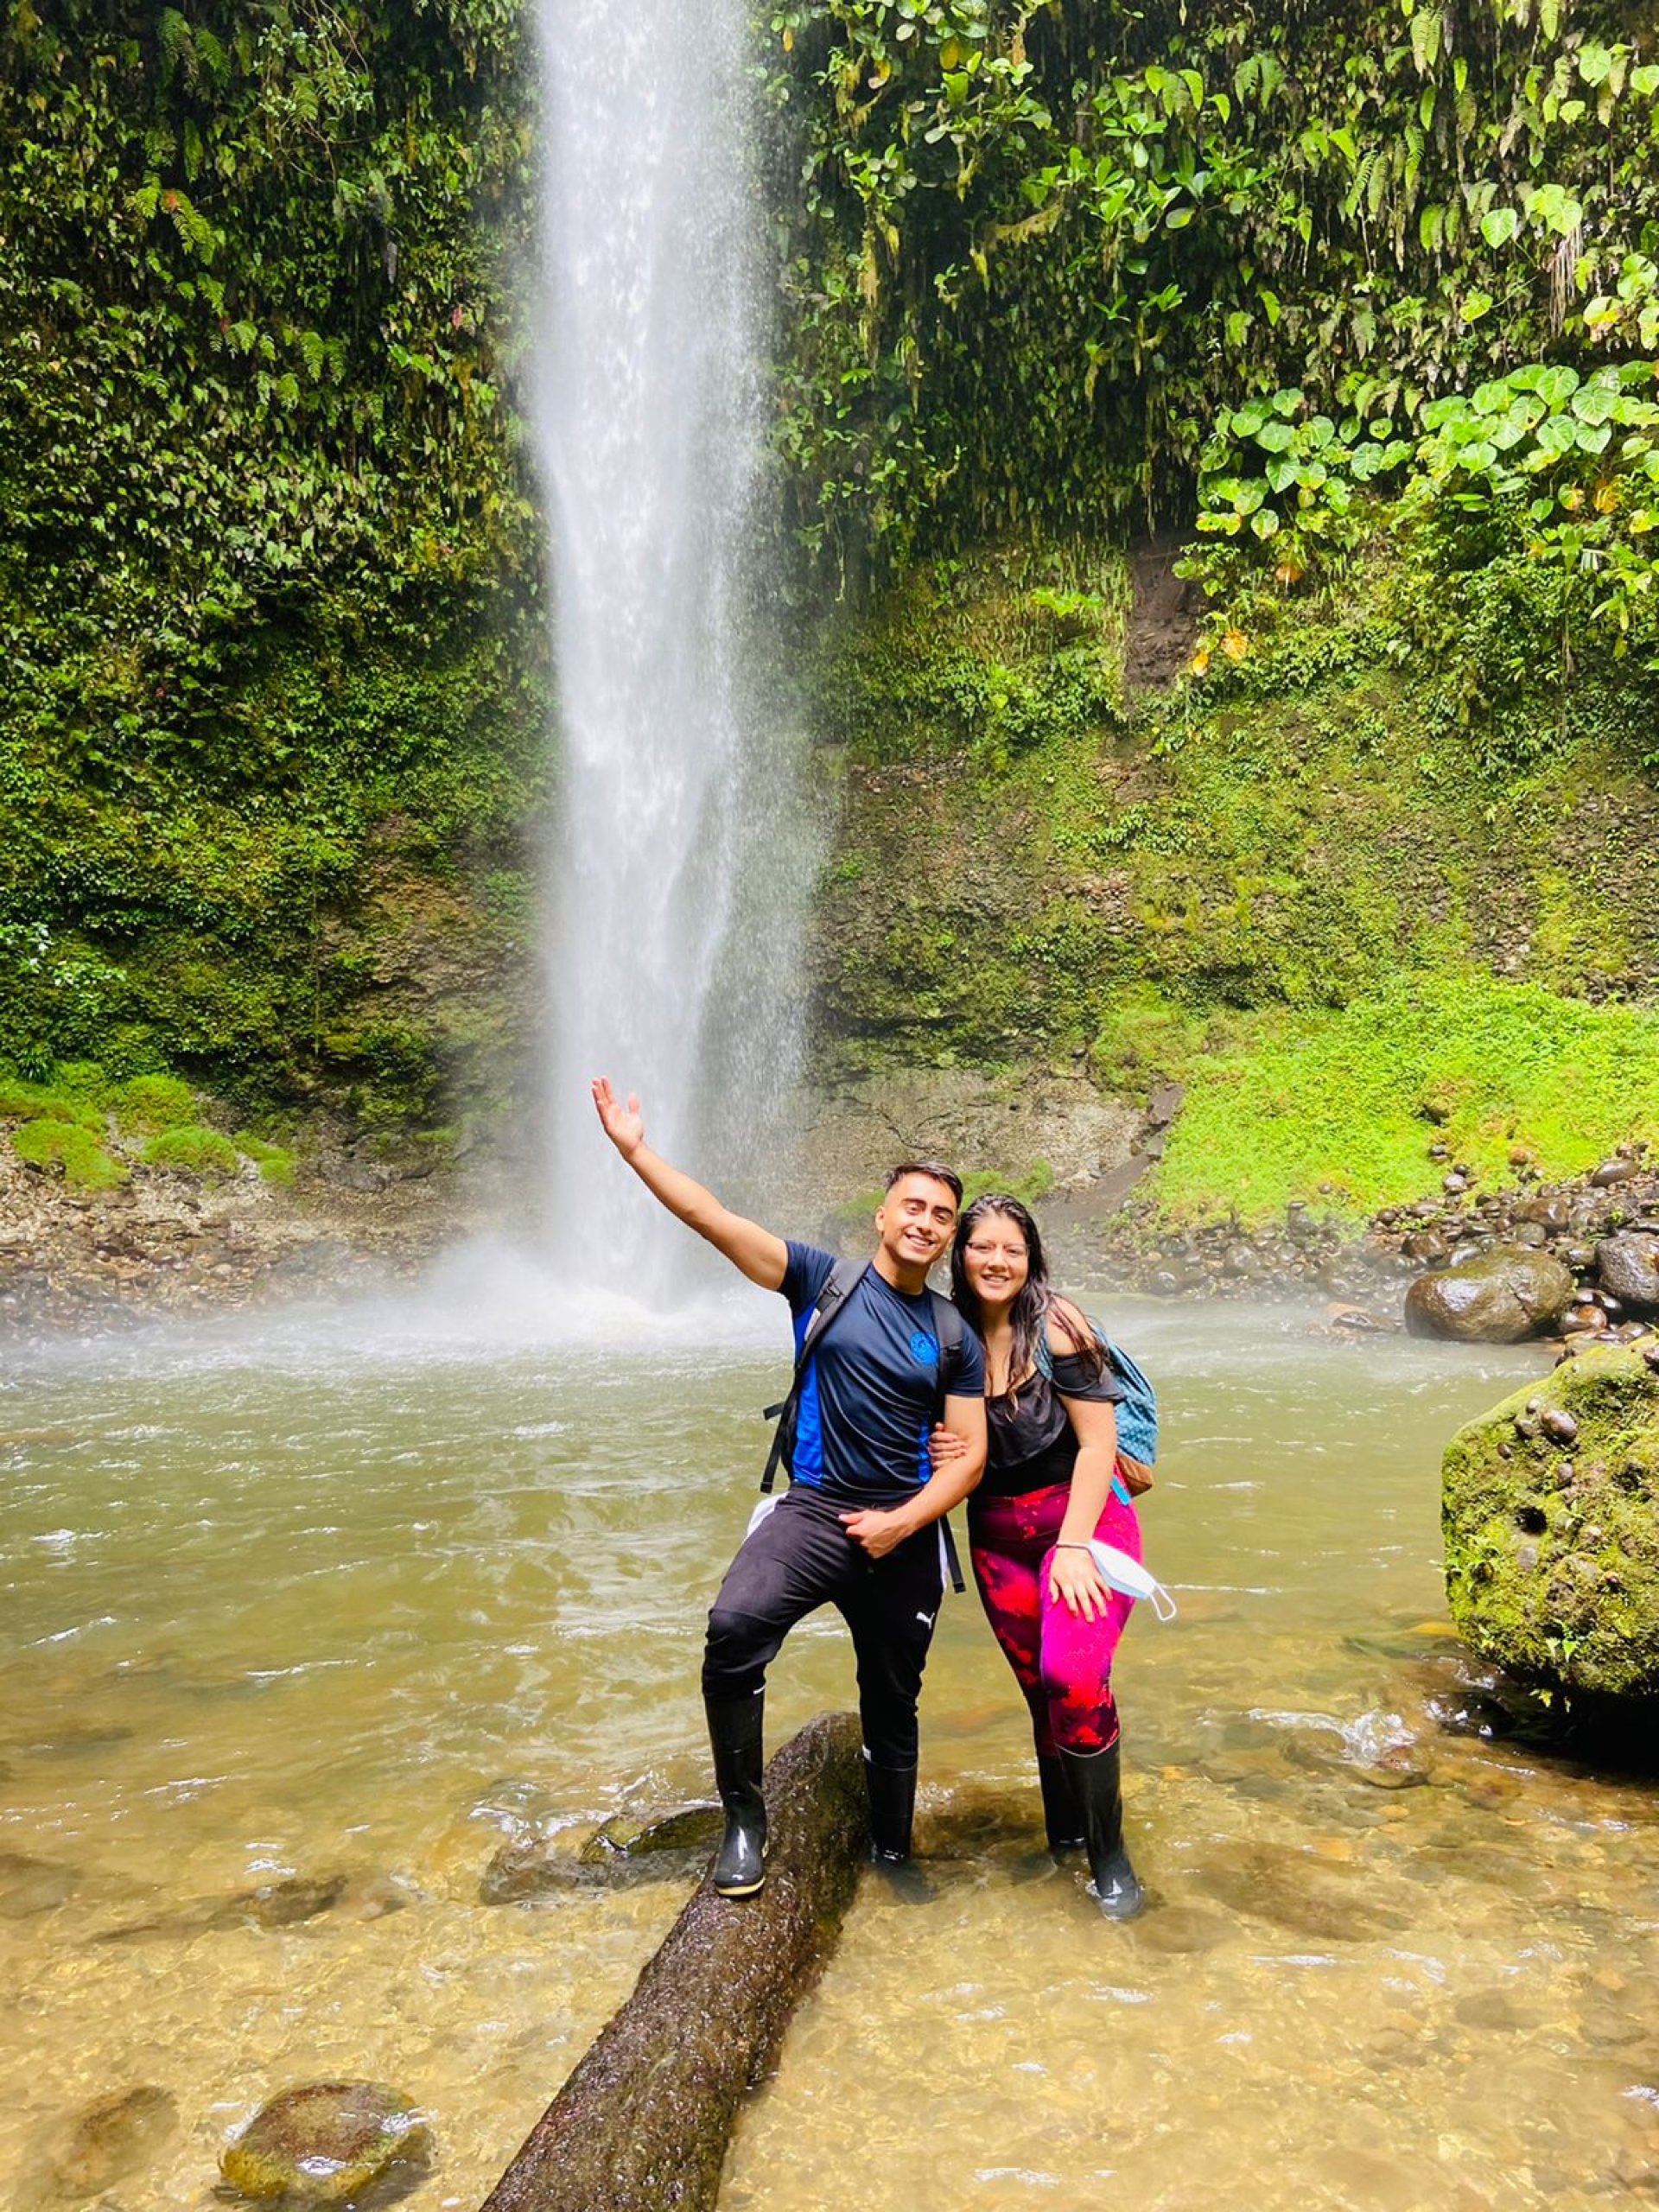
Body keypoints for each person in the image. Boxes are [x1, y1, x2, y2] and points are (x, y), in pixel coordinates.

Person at [590, 1078, 988, 1898]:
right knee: (734, 1628)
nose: (924, 1222)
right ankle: (745, 1822)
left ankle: (892, 1849)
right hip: (812, 1510)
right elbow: (713, 1218)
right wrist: (635, 1152)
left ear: (948, 1237)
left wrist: (902, 1524)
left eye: (941, 1216)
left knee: (893, 1696)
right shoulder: (821, 1282)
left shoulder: (952, 1332)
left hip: (903, 1533)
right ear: (882, 1215)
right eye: (912, 1206)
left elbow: (970, 1458)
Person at [932, 1192, 1146, 1920]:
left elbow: (1098, 1446)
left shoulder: (1057, 1324)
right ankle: (1065, 1841)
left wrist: (1076, 1547)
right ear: (959, 1257)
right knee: (1040, 1695)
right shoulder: (943, 1333)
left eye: (1012, 1250)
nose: (997, 1262)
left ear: (1031, 1260)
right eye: (981, 1248)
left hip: (1085, 1520)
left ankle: (1111, 1857)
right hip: (997, 1536)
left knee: (1074, 1675)